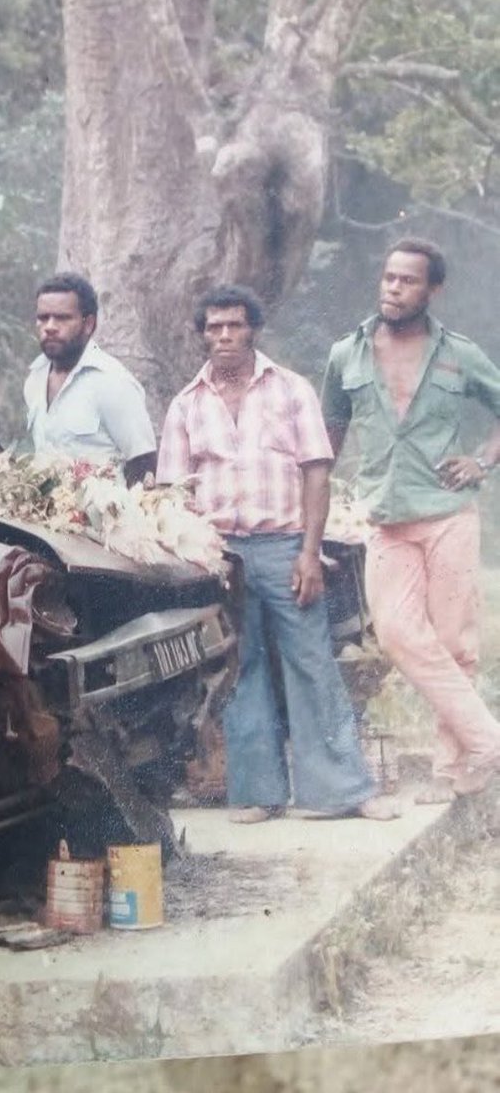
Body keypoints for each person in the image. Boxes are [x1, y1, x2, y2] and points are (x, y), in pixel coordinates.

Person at [157, 285, 394, 823]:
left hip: (285, 546)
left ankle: (343, 790)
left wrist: (310, 553)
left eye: (234, 326)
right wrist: (199, 563)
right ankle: (260, 793)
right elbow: (172, 494)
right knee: (243, 669)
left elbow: (316, 470)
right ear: (202, 334)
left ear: (253, 329)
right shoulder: (186, 404)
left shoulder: (290, 389)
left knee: (311, 662)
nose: (224, 336)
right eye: (214, 328)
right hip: (220, 557)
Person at [322, 237, 500, 801]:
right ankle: (491, 742)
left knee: (453, 643)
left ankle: (454, 771)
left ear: (433, 289)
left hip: (448, 512)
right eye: (389, 277)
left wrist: (482, 460)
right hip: (384, 517)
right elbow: (327, 437)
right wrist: (321, 506)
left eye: (408, 280)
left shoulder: (460, 354)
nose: (393, 288)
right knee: (398, 635)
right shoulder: (345, 355)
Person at [24, 273, 156, 485]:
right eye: (43, 317)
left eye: (62, 318)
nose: (49, 326)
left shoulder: (113, 382)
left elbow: (144, 465)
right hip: (44, 515)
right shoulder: (35, 378)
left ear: (88, 324)